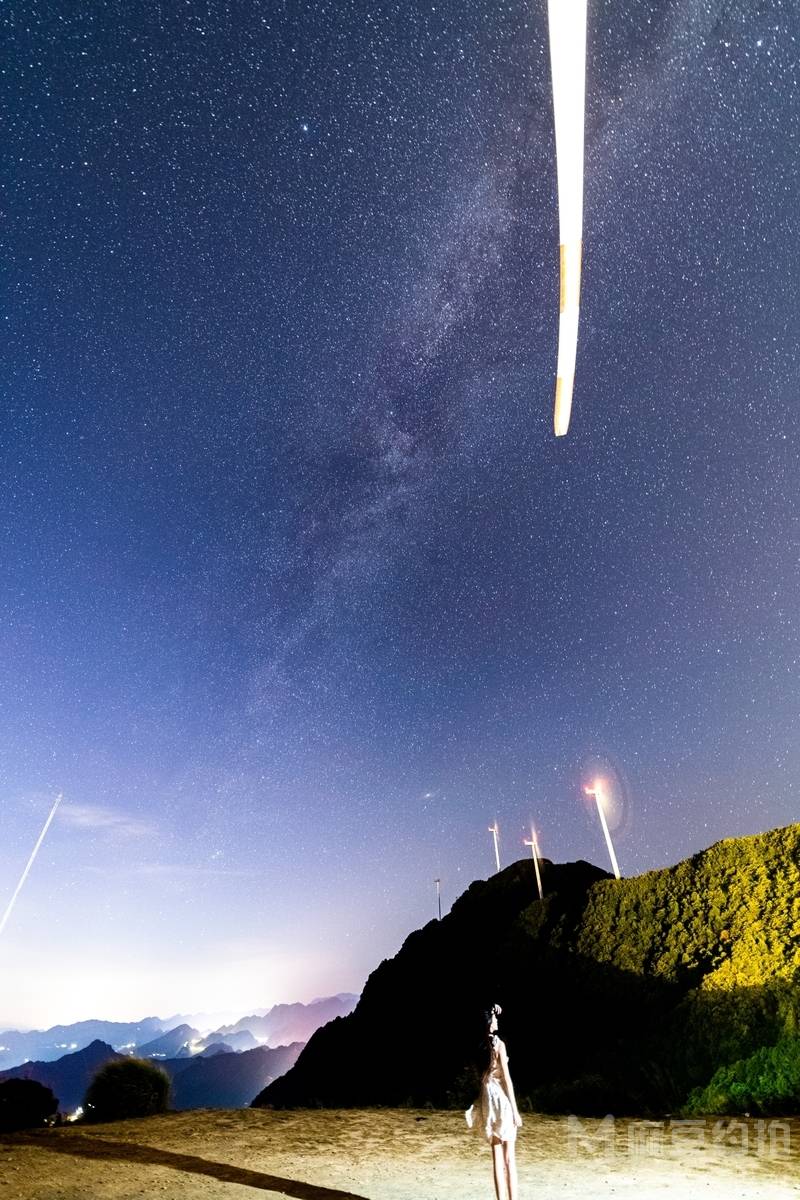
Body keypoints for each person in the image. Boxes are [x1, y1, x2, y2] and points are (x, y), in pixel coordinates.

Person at [466, 1003, 522, 1200]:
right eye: (495, 1018)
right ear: (490, 1023)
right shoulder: (499, 1045)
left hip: (488, 1102)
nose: (497, 1020)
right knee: (509, 1160)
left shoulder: (479, 1046)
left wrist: (491, 1008)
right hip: (502, 1102)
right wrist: (515, 1111)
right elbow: (507, 1080)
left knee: (497, 1158)